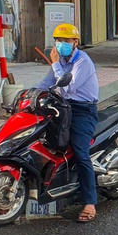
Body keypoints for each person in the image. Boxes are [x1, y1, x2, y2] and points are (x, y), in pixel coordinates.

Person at [36, 22, 99, 223]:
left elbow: (67, 88)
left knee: (80, 152)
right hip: (62, 107)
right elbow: (46, 84)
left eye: (65, 40)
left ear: (75, 42)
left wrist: (55, 64)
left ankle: (90, 202)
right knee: (44, 145)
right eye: (58, 40)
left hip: (83, 110)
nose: (61, 44)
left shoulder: (83, 61)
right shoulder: (61, 61)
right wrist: (28, 96)